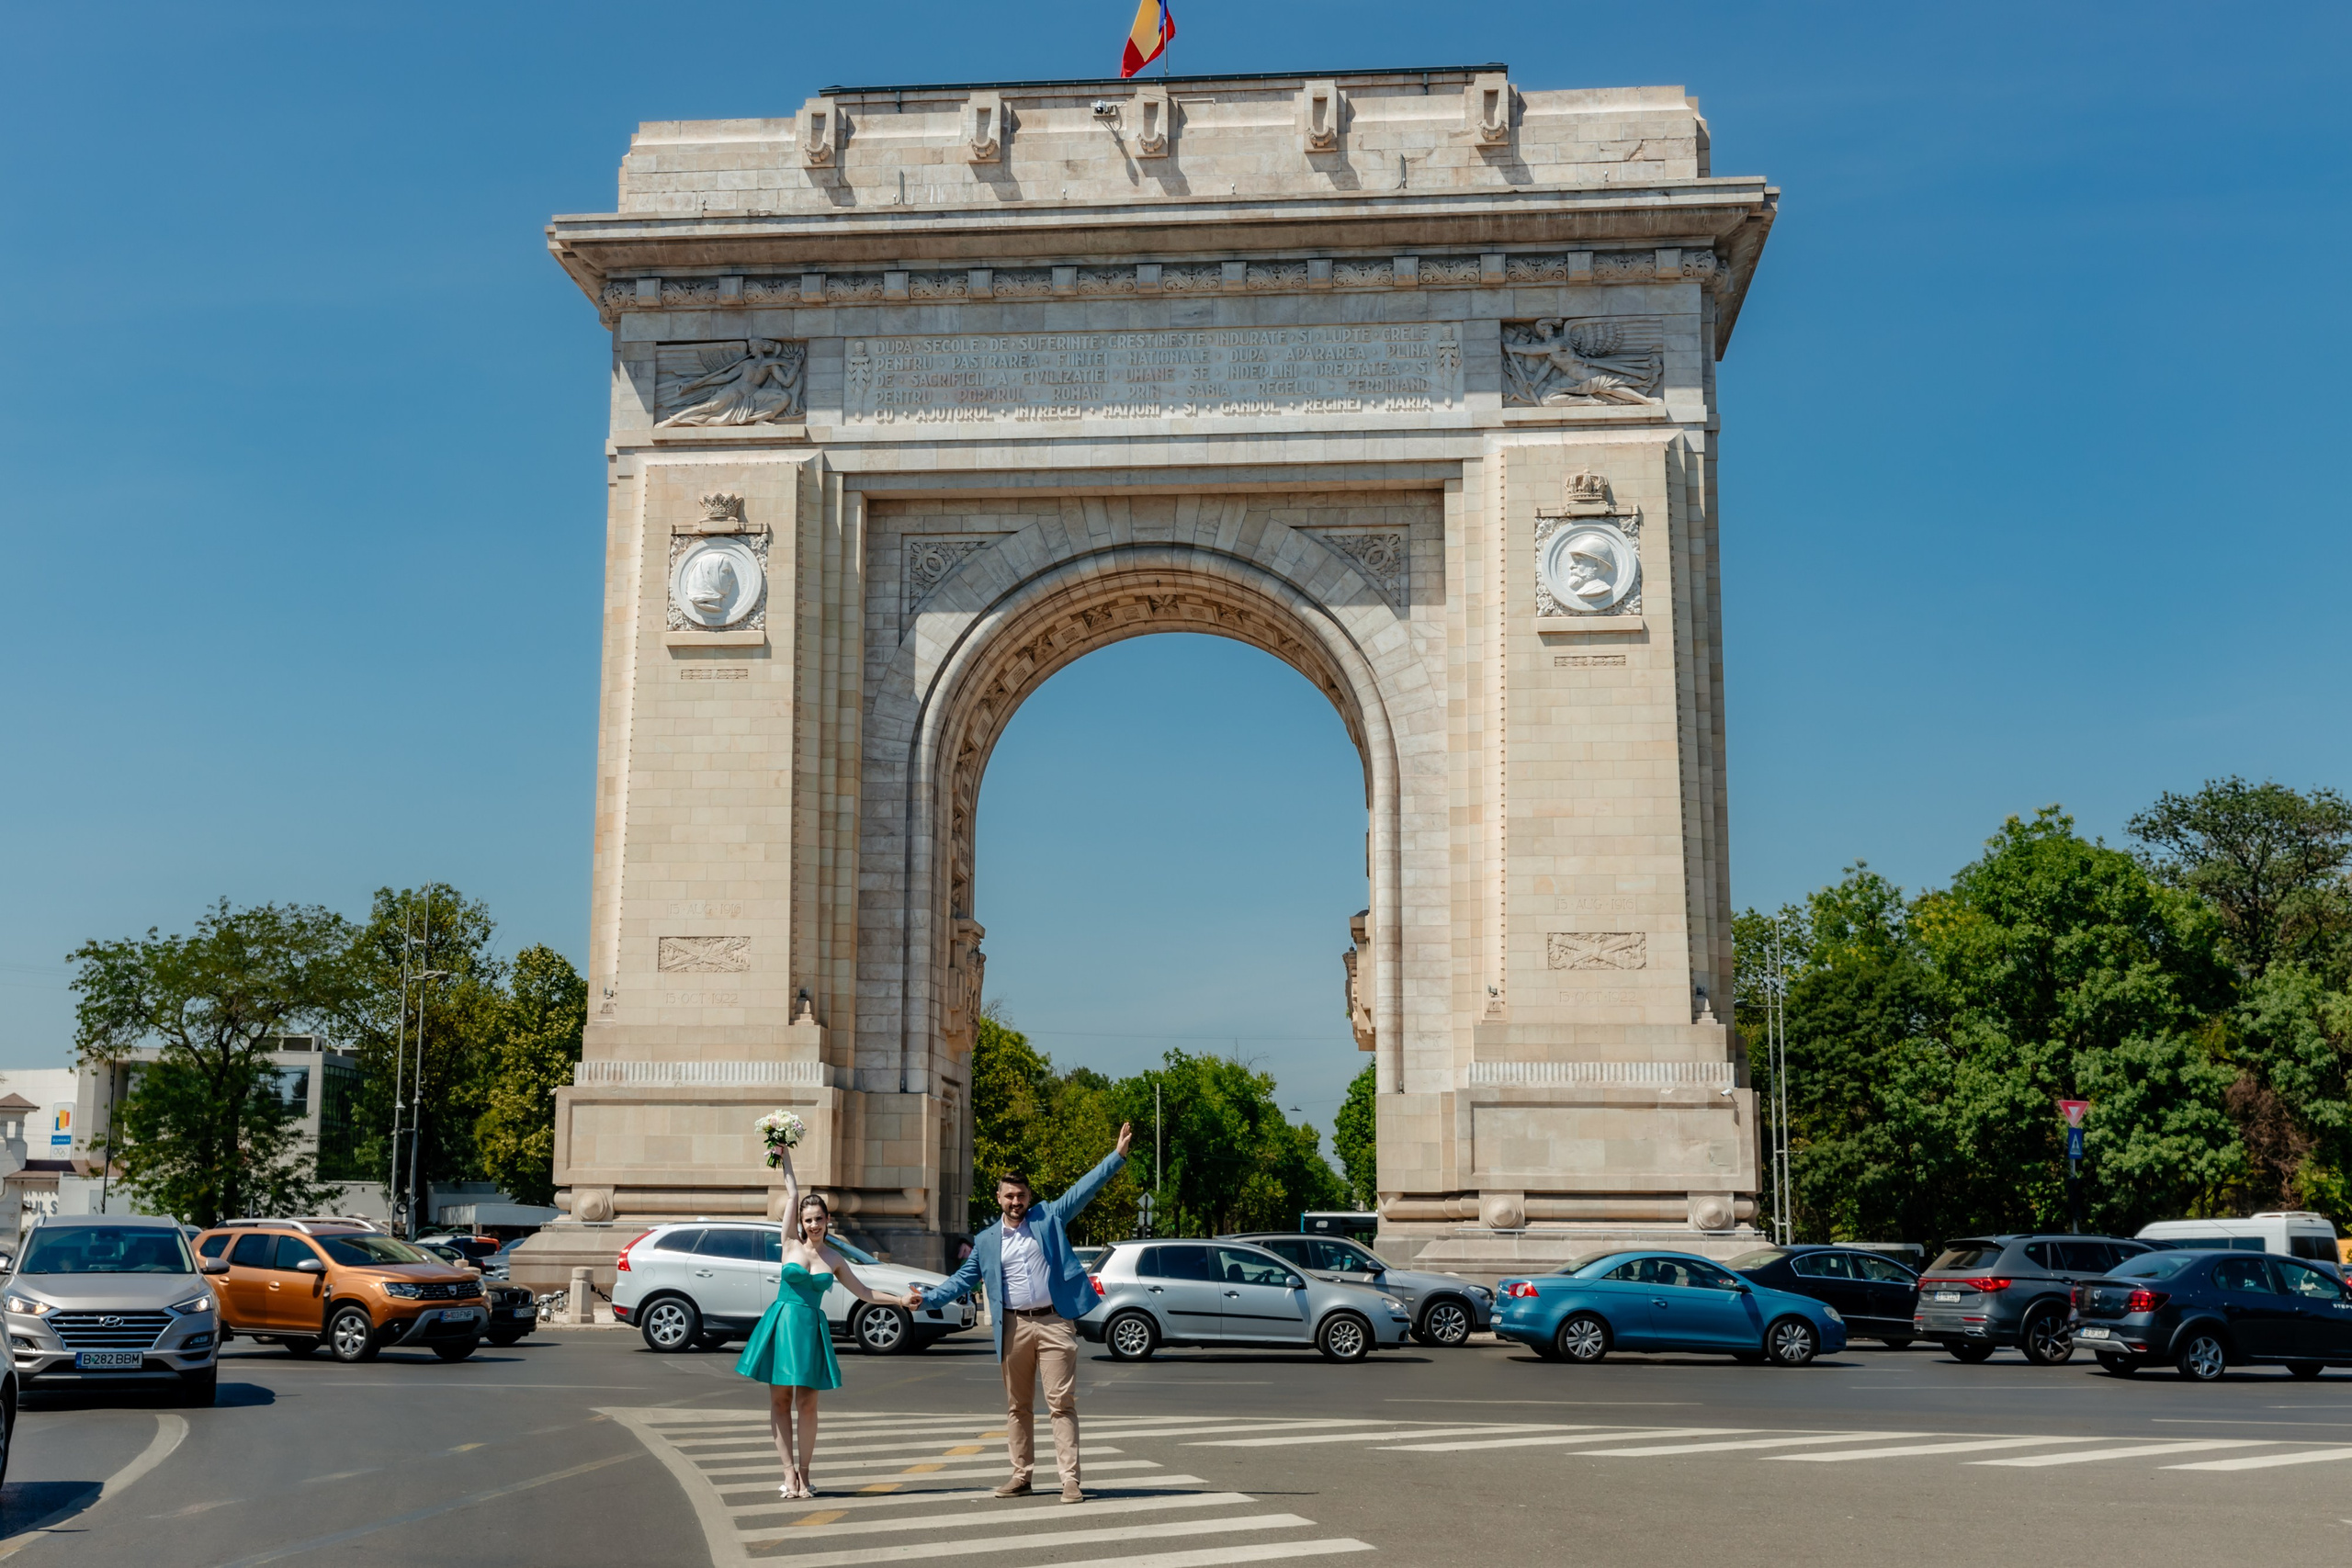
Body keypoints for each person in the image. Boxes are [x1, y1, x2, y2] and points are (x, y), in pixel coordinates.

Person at [908, 1123, 1132, 1504]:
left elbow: (1084, 1189)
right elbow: (962, 1280)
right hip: (1013, 1326)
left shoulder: (1048, 1217)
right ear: (998, 1198)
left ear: (1030, 1197)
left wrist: (1117, 1158)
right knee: (1018, 1407)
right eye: (1009, 1195)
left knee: (1061, 1403)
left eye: (1021, 1195)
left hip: (1054, 1321)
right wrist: (926, 1300)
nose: (1016, 1201)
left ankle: (1070, 1480)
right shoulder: (986, 1241)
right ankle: (1021, 1475)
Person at [734, 1146, 903, 1498]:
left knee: (807, 1404)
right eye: (808, 1219)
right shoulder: (789, 1243)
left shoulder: (835, 1258)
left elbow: (866, 1291)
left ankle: (806, 1474)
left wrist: (901, 1300)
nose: (813, 1224)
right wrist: (784, 1155)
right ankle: (788, 1474)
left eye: (819, 1219)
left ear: (828, 1221)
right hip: (782, 1326)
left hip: (810, 1330)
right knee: (780, 1401)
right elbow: (793, 1193)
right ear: (802, 1222)